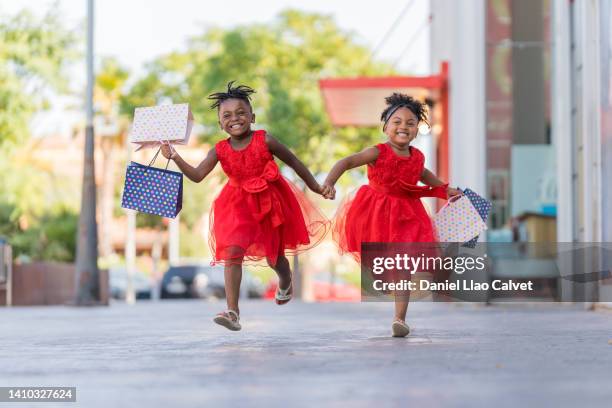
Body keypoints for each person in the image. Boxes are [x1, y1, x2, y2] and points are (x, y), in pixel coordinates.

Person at [161, 81, 331, 331]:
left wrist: (316, 186)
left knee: (275, 258)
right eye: (227, 116)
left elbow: (293, 161)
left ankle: (285, 279)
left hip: (269, 201)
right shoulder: (219, 150)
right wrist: (175, 156)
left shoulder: (265, 139)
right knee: (232, 252)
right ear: (220, 124)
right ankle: (233, 312)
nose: (235, 119)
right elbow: (197, 176)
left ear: (252, 116)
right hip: (237, 205)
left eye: (241, 113)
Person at [322, 92, 462, 337]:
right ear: (386, 127)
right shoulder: (377, 152)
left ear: (417, 130)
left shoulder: (417, 157)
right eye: (397, 122)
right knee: (385, 264)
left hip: (408, 216)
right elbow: (346, 162)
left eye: (410, 123)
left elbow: (427, 177)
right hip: (376, 213)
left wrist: (446, 189)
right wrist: (330, 183)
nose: (403, 127)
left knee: (404, 265)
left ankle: (400, 318)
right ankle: (387, 282)